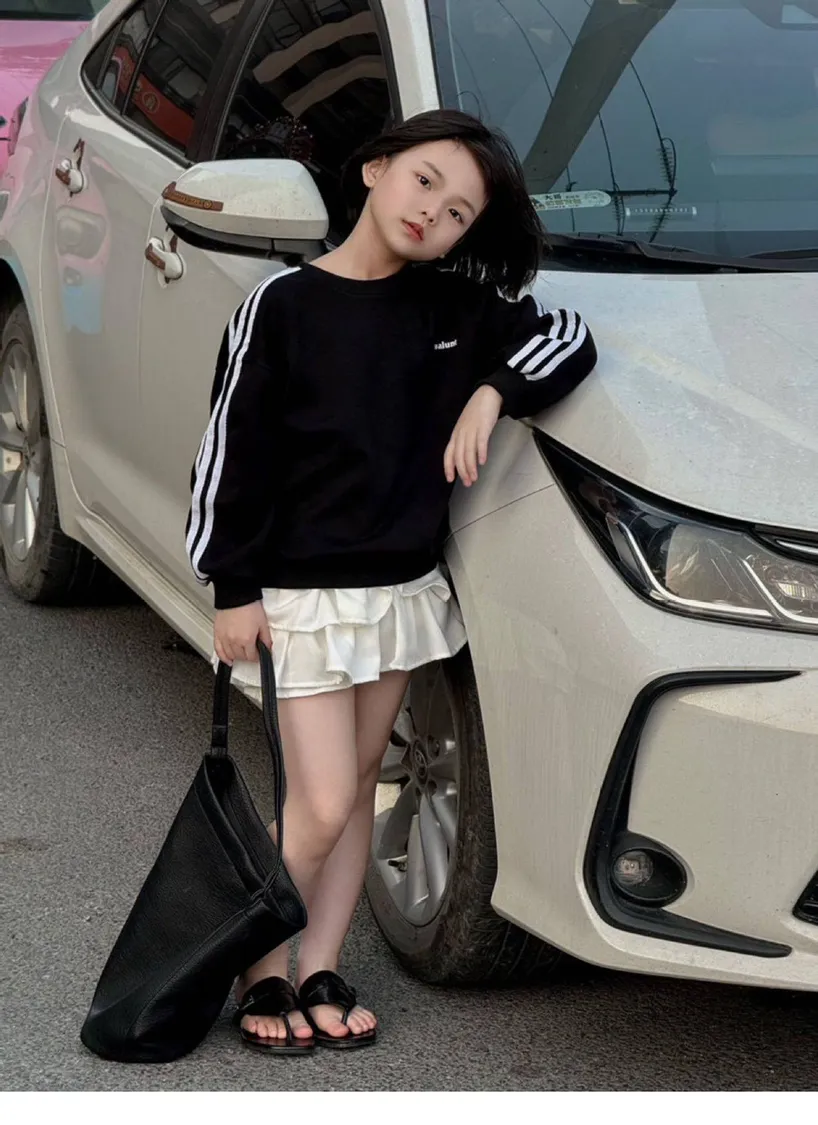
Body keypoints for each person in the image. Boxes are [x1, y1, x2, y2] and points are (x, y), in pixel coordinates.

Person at [185, 109, 598, 1055]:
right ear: (376, 168)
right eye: (424, 182)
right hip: (300, 595)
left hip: (399, 587)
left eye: (458, 213)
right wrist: (232, 586)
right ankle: (246, 965)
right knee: (322, 800)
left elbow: (568, 336)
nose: (432, 214)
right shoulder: (283, 305)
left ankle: (319, 965)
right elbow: (229, 456)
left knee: (363, 784)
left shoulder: (452, 308)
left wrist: (493, 390)